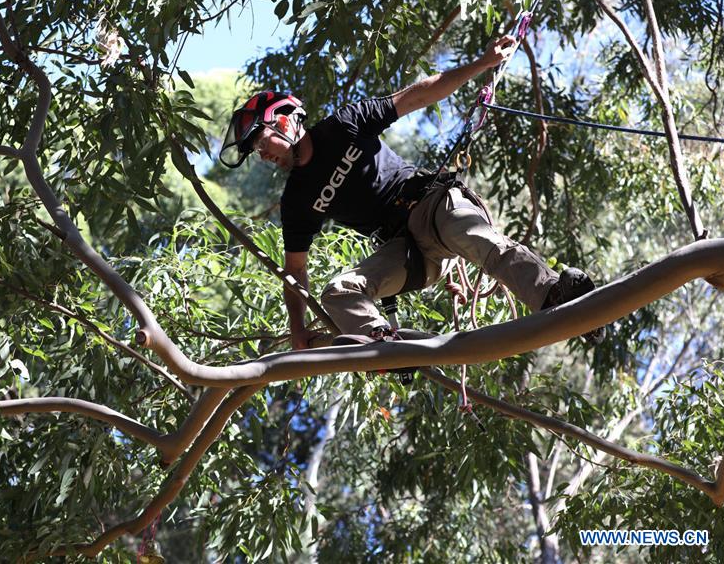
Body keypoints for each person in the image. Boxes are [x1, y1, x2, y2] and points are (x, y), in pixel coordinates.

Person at [219, 36, 605, 356]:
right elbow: (296, 270)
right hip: (408, 251)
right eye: (254, 150)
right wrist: (298, 329)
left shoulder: (344, 126)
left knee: (478, 239)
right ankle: (386, 350)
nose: (262, 153)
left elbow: (417, 95)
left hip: (434, 206)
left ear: (285, 120)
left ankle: (557, 298)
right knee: (338, 293)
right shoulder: (297, 200)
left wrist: (482, 63)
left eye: (261, 139)